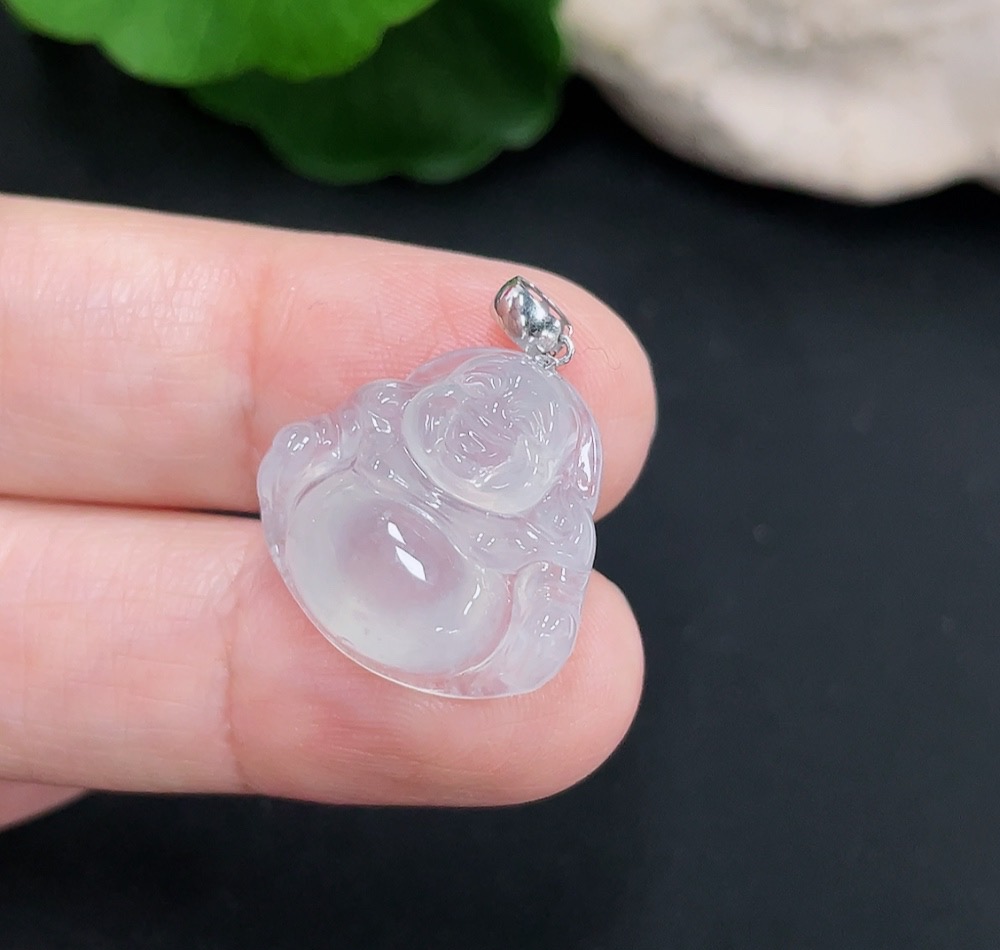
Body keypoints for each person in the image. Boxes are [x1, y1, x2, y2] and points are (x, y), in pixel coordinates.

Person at [0, 195, 656, 829]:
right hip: (336, 538)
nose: (485, 428)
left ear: (546, 469)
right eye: (475, 401)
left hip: (451, 611)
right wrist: (309, 452)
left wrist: (540, 622)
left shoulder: (543, 526)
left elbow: (546, 612)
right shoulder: (386, 420)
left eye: (517, 433)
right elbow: (316, 447)